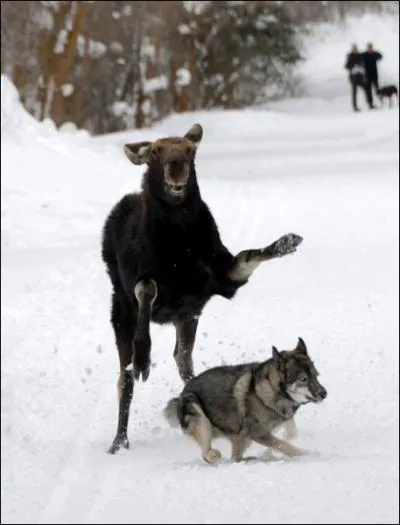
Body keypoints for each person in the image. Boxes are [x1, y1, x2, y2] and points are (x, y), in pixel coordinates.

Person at [344, 44, 374, 112]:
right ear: (352, 49)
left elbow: (363, 64)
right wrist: (353, 68)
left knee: (367, 88)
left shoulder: (359, 56)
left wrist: (361, 68)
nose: (355, 50)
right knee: (354, 92)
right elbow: (346, 66)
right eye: (354, 49)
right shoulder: (349, 56)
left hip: (360, 77)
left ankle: (370, 104)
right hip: (353, 77)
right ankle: (355, 107)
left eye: (356, 49)